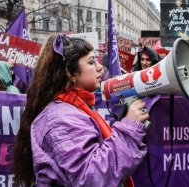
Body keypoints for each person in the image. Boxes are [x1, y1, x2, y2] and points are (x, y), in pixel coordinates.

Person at [13, 35, 149, 187]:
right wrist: (129, 129)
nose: (100, 67)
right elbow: (92, 177)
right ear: (70, 73)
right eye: (91, 62)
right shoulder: (61, 119)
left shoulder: (74, 108)